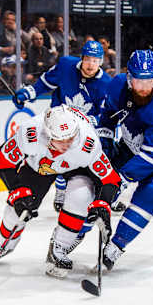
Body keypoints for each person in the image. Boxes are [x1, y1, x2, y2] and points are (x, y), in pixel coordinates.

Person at [0, 105, 121, 278]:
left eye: (71, 138)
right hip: (39, 167)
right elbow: (3, 160)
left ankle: (59, 249)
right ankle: (3, 246)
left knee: (81, 197)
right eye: (61, 140)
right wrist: (17, 192)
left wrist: (103, 203)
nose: (67, 145)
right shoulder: (30, 132)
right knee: (15, 212)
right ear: (47, 134)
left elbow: (110, 179)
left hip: (77, 168)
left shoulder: (87, 141)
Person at [89, 49, 153, 270]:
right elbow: (107, 117)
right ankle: (68, 239)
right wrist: (105, 143)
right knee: (96, 185)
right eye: (138, 81)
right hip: (131, 143)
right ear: (129, 78)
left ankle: (117, 245)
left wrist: (121, 178)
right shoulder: (117, 85)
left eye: (149, 81)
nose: (143, 88)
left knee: (152, 192)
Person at [13, 40, 118, 212]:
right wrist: (29, 92)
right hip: (57, 123)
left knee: (80, 159)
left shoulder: (106, 84)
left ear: (101, 61)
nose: (91, 64)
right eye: (88, 59)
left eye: (95, 60)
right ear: (82, 58)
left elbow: (105, 113)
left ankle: (102, 194)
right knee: (51, 154)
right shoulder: (66, 65)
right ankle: (59, 188)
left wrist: (94, 122)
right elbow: (46, 82)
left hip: (82, 130)